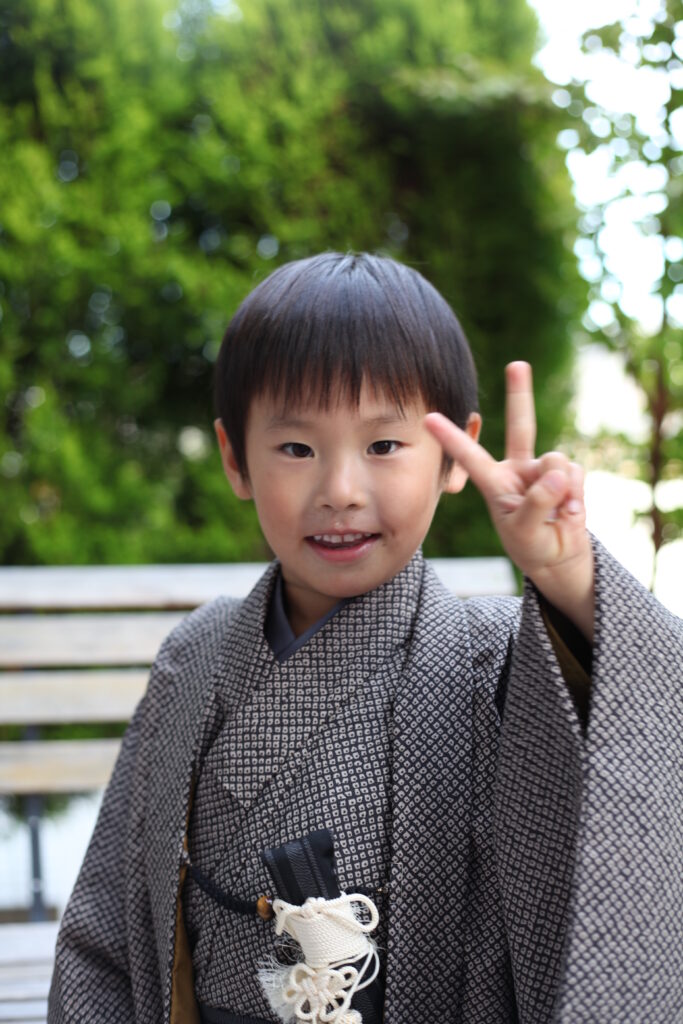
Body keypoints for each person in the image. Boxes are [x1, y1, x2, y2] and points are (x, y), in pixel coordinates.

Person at [48, 252, 682, 1024]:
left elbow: (646, 720)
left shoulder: (493, 659)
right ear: (234, 459)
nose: (340, 491)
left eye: (383, 446)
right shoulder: (196, 656)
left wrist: (567, 575)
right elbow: (109, 923)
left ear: (454, 455)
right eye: (296, 448)